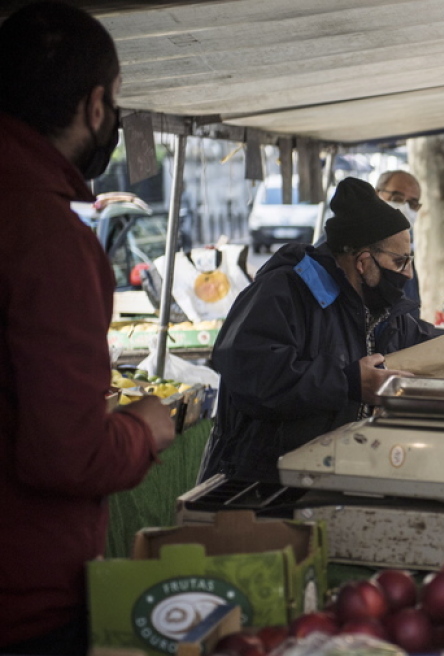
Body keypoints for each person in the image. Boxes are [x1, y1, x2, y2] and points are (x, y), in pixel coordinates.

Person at [0, 3, 177, 654]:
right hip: (24, 604)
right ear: (95, 105)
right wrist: (145, 430)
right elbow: (66, 455)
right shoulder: (45, 235)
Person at [200, 177, 444, 484]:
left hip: (326, 475)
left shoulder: (383, 312)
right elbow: (251, 374)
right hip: (257, 483)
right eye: (400, 261)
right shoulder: (283, 292)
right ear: (362, 261)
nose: (407, 274)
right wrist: (348, 382)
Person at [375, 170, 423, 315]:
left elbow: (411, 311)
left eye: (412, 203)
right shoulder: (349, 243)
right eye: (396, 198)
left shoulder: (404, 250)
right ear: (375, 195)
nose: (405, 208)